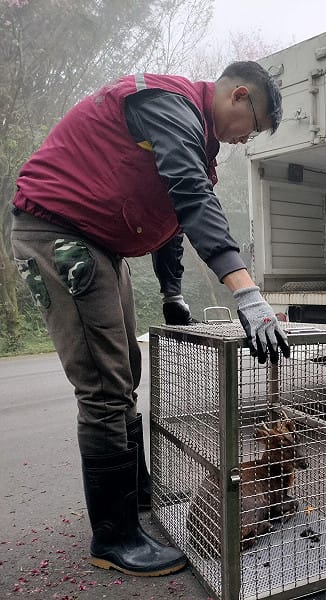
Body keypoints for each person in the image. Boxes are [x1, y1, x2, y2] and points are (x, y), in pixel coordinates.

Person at [10, 61, 290, 577]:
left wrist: (172, 294)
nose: (244, 139)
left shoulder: (196, 139)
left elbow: (171, 219)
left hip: (102, 246)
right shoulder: (169, 103)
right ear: (240, 97)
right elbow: (190, 195)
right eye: (253, 126)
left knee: (127, 372)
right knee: (103, 385)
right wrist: (246, 294)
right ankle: (115, 539)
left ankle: (137, 496)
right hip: (58, 232)